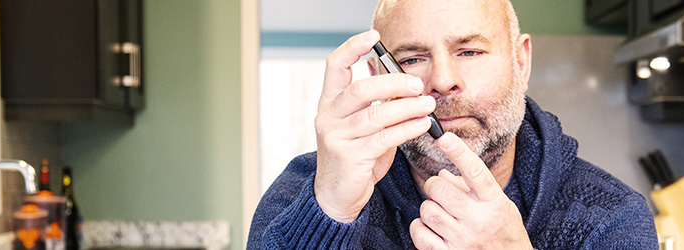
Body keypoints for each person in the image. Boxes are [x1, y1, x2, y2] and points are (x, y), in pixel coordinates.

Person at [247, 0, 657, 249]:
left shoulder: (610, 216)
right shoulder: (305, 192)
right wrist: (330, 212)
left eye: (471, 51)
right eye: (410, 59)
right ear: (378, 75)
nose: (442, 80)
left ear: (520, 62)